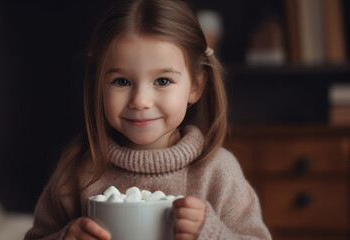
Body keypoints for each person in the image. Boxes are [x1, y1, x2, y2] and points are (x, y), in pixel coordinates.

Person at [25, 0, 271, 239]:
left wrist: (213, 235)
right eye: (122, 81)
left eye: (163, 81)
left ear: (196, 86)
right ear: (99, 85)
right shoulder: (76, 174)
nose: (141, 100)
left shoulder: (218, 173)